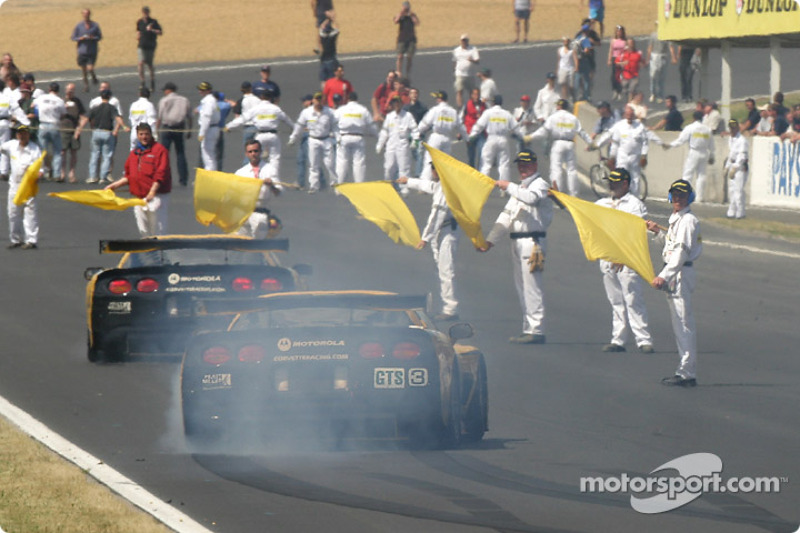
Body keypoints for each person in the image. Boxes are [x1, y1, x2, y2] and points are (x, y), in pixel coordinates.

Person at [478, 149, 553, 344]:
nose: (523, 168)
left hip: (533, 242)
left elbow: (532, 198)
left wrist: (508, 185)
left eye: (526, 164)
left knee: (532, 286)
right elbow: (506, 215)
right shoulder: (519, 187)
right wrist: (491, 240)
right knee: (521, 287)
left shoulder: (540, 185)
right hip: (517, 240)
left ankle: (537, 329)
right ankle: (528, 326)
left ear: (535, 165)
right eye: (520, 164)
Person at [647, 179, 702, 387]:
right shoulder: (677, 218)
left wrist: (664, 275)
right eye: (675, 195)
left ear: (689, 197)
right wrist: (657, 232)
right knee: (679, 323)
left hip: (679, 273)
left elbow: (680, 253)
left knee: (683, 323)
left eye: (682, 195)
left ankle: (687, 372)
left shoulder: (688, 221)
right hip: (676, 273)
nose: (678, 199)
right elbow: (671, 245)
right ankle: (685, 369)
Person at [595, 168, 653, 353]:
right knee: (615, 300)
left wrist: (623, 255)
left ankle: (644, 340)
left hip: (626, 259)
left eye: (616, 182)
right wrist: (558, 198)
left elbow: (635, 233)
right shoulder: (603, 203)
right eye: (610, 182)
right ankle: (618, 339)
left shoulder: (634, 204)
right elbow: (583, 212)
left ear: (625, 184)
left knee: (633, 298)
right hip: (607, 256)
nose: (612, 185)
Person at [397, 163, 461, 321]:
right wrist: (408, 181)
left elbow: (437, 215)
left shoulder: (445, 190)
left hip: (447, 230)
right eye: (432, 168)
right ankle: (447, 305)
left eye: (436, 169)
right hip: (442, 230)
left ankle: (450, 309)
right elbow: (427, 185)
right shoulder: (441, 185)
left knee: (446, 270)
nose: (433, 171)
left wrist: (426, 237)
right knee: (440, 269)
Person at [105, 123, 171, 237]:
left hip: (156, 196)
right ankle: (148, 252)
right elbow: (129, 176)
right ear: (137, 135)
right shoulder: (134, 153)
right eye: (141, 134)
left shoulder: (160, 151)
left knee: (157, 230)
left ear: (151, 135)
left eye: (146, 134)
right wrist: (113, 186)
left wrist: (152, 191)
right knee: (143, 230)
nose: (144, 137)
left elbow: (161, 174)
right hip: (138, 197)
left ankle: (160, 252)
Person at [526, 98, 592, 196]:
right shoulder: (573, 118)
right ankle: (574, 194)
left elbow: (543, 132)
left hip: (558, 143)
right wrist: (591, 143)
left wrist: (530, 137)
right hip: (570, 143)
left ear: (559, 106)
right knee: (572, 170)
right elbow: (582, 132)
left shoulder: (553, 117)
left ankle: (558, 193)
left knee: (556, 168)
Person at [225, 87, 294, 178]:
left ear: (261, 97)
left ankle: (255, 177)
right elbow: (287, 120)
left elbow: (243, 119)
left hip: (260, 135)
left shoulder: (256, 108)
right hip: (273, 135)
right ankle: (274, 178)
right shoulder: (276, 109)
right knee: (275, 159)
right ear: (270, 98)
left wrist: (228, 126)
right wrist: (295, 129)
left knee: (255, 157)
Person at [593, 104, 659, 198]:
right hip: (622, 156)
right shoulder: (619, 126)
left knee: (635, 179)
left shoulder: (640, 126)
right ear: (624, 115)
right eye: (628, 114)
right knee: (620, 178)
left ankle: (635, 199)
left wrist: (644, 156)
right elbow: (613, 141)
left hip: (635, 157)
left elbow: (645, 142)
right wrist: (611, 156)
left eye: (631, 114)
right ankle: (620, 197)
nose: (630, 117)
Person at [1, 125, 41, 249]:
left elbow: (41, 168)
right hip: (14, 185)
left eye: (24, 133)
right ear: (17, 135)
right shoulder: (11, 146)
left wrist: (39, 174)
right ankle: (16, 239)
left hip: (28, 185)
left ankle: (31, 240)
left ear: (28, 135)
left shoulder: (35, 149)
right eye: (20, 133)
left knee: (30, 212)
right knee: (13, 213)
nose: (22, 136)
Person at [289, 92, 338, 193]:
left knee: (330, 163)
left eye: (320, 99)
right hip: (313, 140)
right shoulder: (306, 112)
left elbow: (335, 127)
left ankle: (334, 183)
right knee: (313, 164)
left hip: (326, 139)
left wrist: (339, 138)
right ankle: (314, 186)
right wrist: (293, 138)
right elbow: (299, 126)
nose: (318, 102)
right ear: (313, 101)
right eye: (317, 99)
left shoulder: (329, 112)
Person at [76, 88, 127, 184]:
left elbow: (86, 119)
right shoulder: (111, 108)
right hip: (107, 132)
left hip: (96, 132)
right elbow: (118, 118)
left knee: (94, 155)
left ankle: (92, 176)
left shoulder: (95, 108)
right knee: (107, 156)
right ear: (109, 97)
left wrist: (79, 129)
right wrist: (124, 126)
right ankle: (103, 177)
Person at [235, 139, 283, 239]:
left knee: (258, 245)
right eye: (250, 152)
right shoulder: (240, 173)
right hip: (243, 214)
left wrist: (271, 186)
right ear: (246, 154)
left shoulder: (269, 169)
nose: (253, 154)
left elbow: (279, 193)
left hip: (260, 213)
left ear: (260, 152)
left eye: (256, 151)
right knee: (238, 243)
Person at [665, 110, 714, 202]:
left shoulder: (690, 128)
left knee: (688, 174)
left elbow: (681, 140)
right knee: (701, 175)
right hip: (704, 152)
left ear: (694, 118)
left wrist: (670, 145)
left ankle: (684, 195)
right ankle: (700, 197)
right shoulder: (707, 129)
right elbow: (712, 145)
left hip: (694, 152)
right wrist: (712, 156)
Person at [417, 90, 466, 182]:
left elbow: (425, 123)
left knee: (429, 160)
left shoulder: (435, 110)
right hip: (447, 139)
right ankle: (442, 184)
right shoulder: (453, 111)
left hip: (436, 137)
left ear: (439, 99)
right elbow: (460, 126)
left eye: (437, 98)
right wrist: (467, 138)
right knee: (444, 162)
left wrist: (417, 133)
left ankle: (425, 182)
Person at [469, 94, 518, 182]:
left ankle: (482, 184)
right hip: (503, 139)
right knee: (504, 164)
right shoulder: (507, 114)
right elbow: (516, 128)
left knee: (486, 163)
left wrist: (472, 135)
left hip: (491, 139)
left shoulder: (488, 113)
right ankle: (504, 186)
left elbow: (479, 125)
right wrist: (523, 137)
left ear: (493, 103)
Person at [334, 92, 377, 184]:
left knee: (342, 162)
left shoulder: (341, 110)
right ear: (357, 99)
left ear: (348, 99)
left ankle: (339, 185)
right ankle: (359, 185)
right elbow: (371, 126)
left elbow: (333, 122)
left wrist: (335, 135)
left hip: (344, 136)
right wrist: (377, 136)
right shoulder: (363, 110)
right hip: (358, 137)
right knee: (359, 162)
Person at [376, 94, 418, 189]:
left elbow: (414, 129)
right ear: (393, 105)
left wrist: (415, 141)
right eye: (395, 103)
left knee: (403, 167)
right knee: (389, 167)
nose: (396, 105)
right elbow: (384, 132)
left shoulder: (407, 116)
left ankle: (404, 188)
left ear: (401, 104)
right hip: (391, 145)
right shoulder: (389, 116)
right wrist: (380, 145)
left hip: (402, 145)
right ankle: (389, 187)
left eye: (398, 103)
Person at [156, 82, 192, 186]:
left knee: (164, 155)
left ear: (168, 90)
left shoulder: (164, 100)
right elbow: (189, 117)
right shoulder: (184, 100)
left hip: (167, 128)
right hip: (179, 128)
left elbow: (159, 116)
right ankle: (183, 178)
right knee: (180, 153)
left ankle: (164, 177)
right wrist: (189, 130)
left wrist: (156, 131)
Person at [32, 82, 66, 181]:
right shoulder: (59, 100)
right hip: (54, 125)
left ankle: (43, 171)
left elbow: (32, 105)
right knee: (57, 151)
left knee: (42, 151)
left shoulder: (41, 98)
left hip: (42, 124)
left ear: (49, 89)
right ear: (58, 90)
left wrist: (39, 112)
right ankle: (57, 174)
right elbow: (63, 114)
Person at [59, 83, 86, 183]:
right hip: (63, 129)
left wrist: (79, 128)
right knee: (63, 152)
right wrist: (64, 110)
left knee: (73, 152)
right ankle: (62, 173)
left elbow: (83, 117)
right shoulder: (61, 101)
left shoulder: (77, 102)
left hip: (74, 129)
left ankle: (72, 173)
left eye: (72, 90)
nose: (69, 92)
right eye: (68, 90)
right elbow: (57, 116)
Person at [71, 8, 102, 92]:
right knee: (84, 71)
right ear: (82, 15)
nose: (86, 15)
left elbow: (99, 37)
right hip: (82, 51)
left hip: (92, 51)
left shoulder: (95, 25)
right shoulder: (79, 26)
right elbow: (73, 37)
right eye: (84, 14)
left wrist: (93, 37)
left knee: (90, 68)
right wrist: (80, 38)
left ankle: (93, 76)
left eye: (87, 14)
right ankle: (86, 85)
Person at [647, 21, 676, 103]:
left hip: (663, 56)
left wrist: (673, 57)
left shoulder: (666, 35)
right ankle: (653, 93)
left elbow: (670, 47)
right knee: (652, 76)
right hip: (654, 56)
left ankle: (660, 95)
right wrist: (647, 58)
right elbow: (650, 47)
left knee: (661, 77)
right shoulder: (653, 35)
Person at [725, 119, 748, 220]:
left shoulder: (742, 140)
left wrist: (735, 167)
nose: (732, 130)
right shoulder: (731, 139)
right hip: (732, 164)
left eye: (734, 128)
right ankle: (731, 211)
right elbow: (731, 154)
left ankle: (740, 212)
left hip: (740, 167)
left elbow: (742, 156)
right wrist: (727, 167)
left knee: (738, 191)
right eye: (731, 128)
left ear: (737, 128)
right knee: (731, 190)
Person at [136, 6, 162, 92]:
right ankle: (142, 81)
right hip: (141, 45)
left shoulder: (153, 22)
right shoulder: (139, 22)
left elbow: (160, 32)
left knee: (150, 65)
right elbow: (138, 31)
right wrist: (138, 36)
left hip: (150, 46)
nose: (145, 14)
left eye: (146, 12)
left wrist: (152, 30)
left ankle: (152, 81)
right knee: (140, 63)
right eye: (144, 12)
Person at [231, 81, 260, 158]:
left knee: (249, 151)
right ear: (251, 89)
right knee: (258, 150)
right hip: (259, 127)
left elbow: (237, 116)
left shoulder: (241, 101)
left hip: (248, 128)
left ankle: (248, 167)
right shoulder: (257, 99)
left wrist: (230, 127)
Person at [196, 81, 221, 171]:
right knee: (210, 154)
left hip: (209, 129)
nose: (200, 91)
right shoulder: (211, 100)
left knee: (208, 154)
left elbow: (206, 117)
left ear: (208, 90)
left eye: (202, 90)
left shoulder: (208, 101)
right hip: (212, 128)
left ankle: (210, 172)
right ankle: (211, 171)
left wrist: (202, 133)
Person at [452, 34, 480, 109]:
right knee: (459, 91)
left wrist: (472, 60)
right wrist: (454, 71)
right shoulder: (456, 50)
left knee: (472, 92)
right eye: (462, 40)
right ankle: (460, 107)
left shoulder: (473, 49)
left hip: (470, 74)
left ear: (468, 41)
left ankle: (472, 107)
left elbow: (477, 61)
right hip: (460, 74)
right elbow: (454, 61)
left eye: (465, 40)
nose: (464, 42)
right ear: (461, 41)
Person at [461, 87, 486, 169]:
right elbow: (462, 117)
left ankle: (480, 172)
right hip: (470, 133)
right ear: (471, 95)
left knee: (481, 153)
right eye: (474, 94)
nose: (476, 96)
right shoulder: (467, 105)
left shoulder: (483, 105)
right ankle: (472, 171)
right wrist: (461, 132)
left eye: (478, 94)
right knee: (471, 156)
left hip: (480, 133)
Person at [394, 1, 419, 77]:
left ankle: (407, 74)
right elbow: (396, 21)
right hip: (402, 38)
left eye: (407, 7)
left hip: (411, 39)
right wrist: (401, 14)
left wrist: (411, 16)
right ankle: (399, 72)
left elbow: (417, 23)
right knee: (400, 56)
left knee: (409, 57)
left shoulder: (412, 15)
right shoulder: (400, 15)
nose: (406, 9)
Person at [128, 86, 157, 151]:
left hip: (134, 133)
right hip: (145, 135)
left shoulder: (133, 105)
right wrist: (155, 135)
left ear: (139, 94)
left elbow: (130, 119)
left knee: (133, 153)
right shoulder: (149, 105)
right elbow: (152, 121)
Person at [616, 38, 645, 104]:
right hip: (625, 75)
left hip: (635, 75)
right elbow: (616, 62)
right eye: (629, 43)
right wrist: (622, 63)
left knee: (632, 89)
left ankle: (630, 104)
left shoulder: (638, 53)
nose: (631, 45)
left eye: (632, 43)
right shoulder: (623, 53)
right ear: (627, 44)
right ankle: (633, 98)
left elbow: (642, 61)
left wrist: (642, 64)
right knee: (625, 90)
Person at [318, 19, 340, 89]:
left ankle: (324, 93)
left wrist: (326, 20)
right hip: (332, 61)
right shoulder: (332, 36)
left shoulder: (322, 36)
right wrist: (333, 19)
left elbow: (321, 27)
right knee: (333, 80)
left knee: (323, 80)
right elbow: (337, 29)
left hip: (323, 61)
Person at [607, 25, 626, 101]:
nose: (619, 33)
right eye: (618, 31)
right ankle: (615, 90)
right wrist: (609, 59)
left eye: (620, 31)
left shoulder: (625, 41)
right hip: (615, 59)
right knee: (614, 77)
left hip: (622, 59)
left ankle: (620, 92)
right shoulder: (613, 41)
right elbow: (611, 50)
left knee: (621, 77)